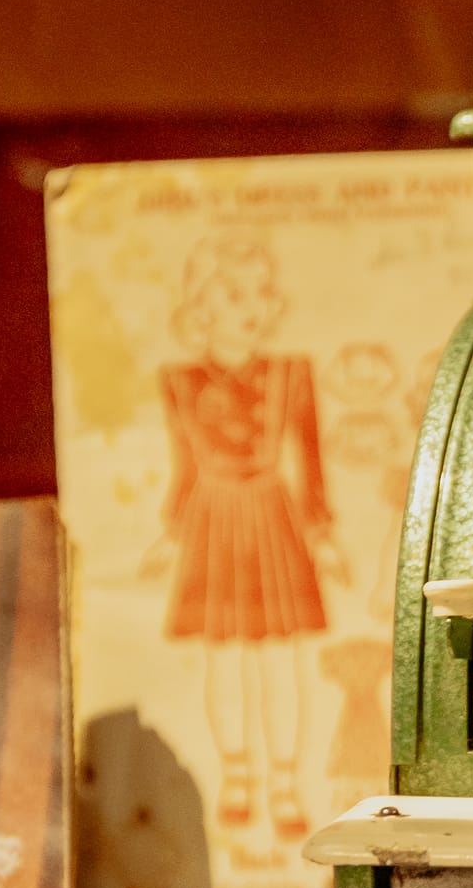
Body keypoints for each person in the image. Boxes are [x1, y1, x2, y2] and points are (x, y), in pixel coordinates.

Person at [143, 235, 344, 843]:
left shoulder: (290, 372)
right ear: (201, 307)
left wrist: (323, 534)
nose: (251, 306)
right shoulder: (179, 381)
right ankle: (235, 777)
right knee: (224, 658)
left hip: (272, 517)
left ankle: (285, 784)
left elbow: (309, 462)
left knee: (282, 659)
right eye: (234, 295)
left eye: (260, 292)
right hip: (213, 522)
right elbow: (186, 466)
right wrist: (169, 534)